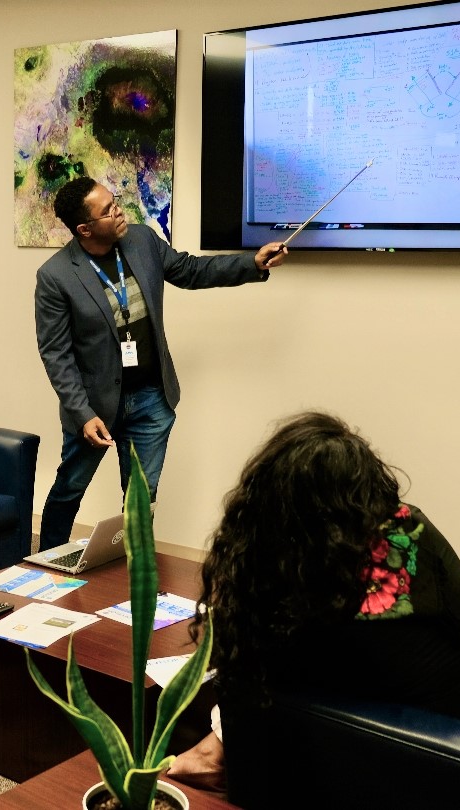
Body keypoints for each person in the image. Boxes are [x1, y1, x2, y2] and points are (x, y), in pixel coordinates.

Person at [170, 411, 460, 791]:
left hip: (456, 761)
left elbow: (258, 682)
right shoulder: (409, 526)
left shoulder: (338, 604)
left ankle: (207, 760)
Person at [34, 176, 289, 550]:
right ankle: (45, 563)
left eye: (114, 201)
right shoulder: (55, 276)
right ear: (84, 229)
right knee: (69, 490)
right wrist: (82, 412)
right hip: (94, 409)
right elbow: (56, 354)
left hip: (151, 399)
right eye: (107, 211)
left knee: (140, 495)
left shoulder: (141, 240)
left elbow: (192, 271)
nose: (118, 210)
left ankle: (132, 572)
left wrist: (252, 263)